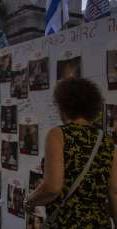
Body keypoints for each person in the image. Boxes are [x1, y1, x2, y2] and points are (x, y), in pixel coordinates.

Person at [25, 78, 117, 228]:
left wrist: (28, 200)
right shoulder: (107, 141)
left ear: (63, 105)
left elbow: (52, 188)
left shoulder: (58, 135)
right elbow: (114, 193)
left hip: (67, 223)